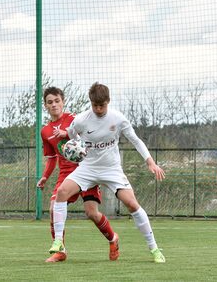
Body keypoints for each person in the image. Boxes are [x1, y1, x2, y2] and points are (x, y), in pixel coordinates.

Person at [49, 82, 166, 263]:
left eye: (102, 105)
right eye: (95, 105)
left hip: (111, 169)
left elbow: (135, 140)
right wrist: (77, 149)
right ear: (91, 102)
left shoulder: (118, 119)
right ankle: (58, 242)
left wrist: (150, 161)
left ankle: (155, 249)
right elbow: (72, 134)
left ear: (108, 101)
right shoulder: (81, 120)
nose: (98, 109)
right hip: (88, 168)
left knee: (132, 204)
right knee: (62, 192)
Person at [37, 86, 119, 263]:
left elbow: (94, 134)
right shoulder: (45, 131)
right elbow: (51, 158)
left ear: (63, 101)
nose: (54, 105)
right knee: (53, 208)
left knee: (92, 213)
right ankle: (60, 250)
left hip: (86, 169)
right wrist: (45, 176)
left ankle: (113, 239)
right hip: (66, 174)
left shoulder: (76, 119)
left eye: (57, 101)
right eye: (50, 102)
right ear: (45, 105)